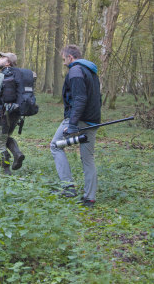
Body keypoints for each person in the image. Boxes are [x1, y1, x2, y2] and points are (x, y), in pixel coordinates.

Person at [50, 45, 101, 207]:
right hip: (92, 120)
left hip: (78, 119)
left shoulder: (76, 71)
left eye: (64, 59)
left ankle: (68, 187)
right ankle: (89, 198)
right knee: (88, 158)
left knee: (55, 146)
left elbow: (79, 98)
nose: (64, 63)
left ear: (71, 57)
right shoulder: (91, 71)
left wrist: (72, 124)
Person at [0, 52, 25, 175]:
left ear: (8, 62)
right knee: (5, 137)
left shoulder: (1, 76)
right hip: (16, 114)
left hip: (3, 114)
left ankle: (5, 171)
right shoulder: (19, 75)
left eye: (2, 58)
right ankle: (17, 154)